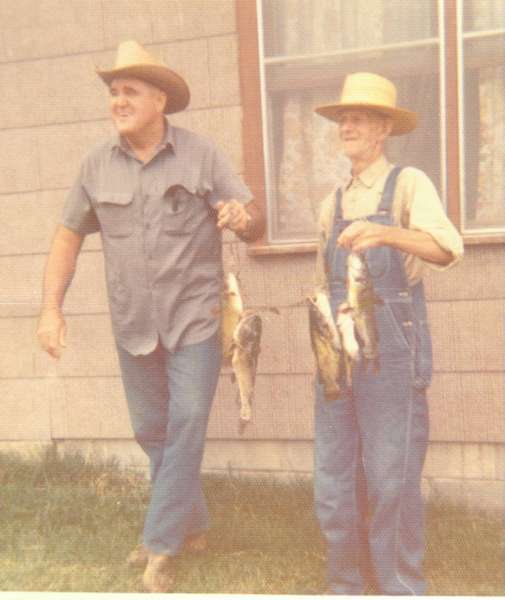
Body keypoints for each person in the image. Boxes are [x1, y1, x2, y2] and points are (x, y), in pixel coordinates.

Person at [36, 40, 264, 593]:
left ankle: (160, 545)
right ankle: (193, 525)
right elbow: (67, 237)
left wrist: (241, 218)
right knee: (152, 432)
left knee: (185, 426)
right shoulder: (95, 165)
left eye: (130, 91)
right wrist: (51, 308)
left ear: (159, 100)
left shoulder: (201, 155)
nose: (118, 101)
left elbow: (253, 219)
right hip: (133, 323)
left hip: (196, 321)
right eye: (113, 91)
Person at [312, 72, 463, 594]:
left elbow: (447, 248)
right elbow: (323, 283)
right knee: (334, 481)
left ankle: (399, 586)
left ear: (383, 129)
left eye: (358, 118)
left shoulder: (409, 184)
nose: (346, 126)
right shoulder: (331, 204)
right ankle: (346, 584)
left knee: (389, 477)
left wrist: (385, 233)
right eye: (342, 119)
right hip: (337, 352)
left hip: (393, 352)